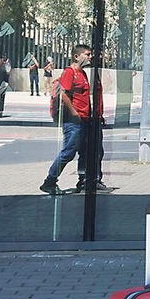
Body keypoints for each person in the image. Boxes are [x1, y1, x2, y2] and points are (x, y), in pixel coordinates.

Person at [40, 45, 103, 194]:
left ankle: (83, 182)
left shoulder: (83, 73)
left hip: (84, 120)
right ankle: (49, 181)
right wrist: (74, 113)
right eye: (87, 55)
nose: (90, 57)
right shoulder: (70, 72)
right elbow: (64, 94)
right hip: (73, 121)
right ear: (76, 56)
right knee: (68, 152)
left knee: (84, 152)